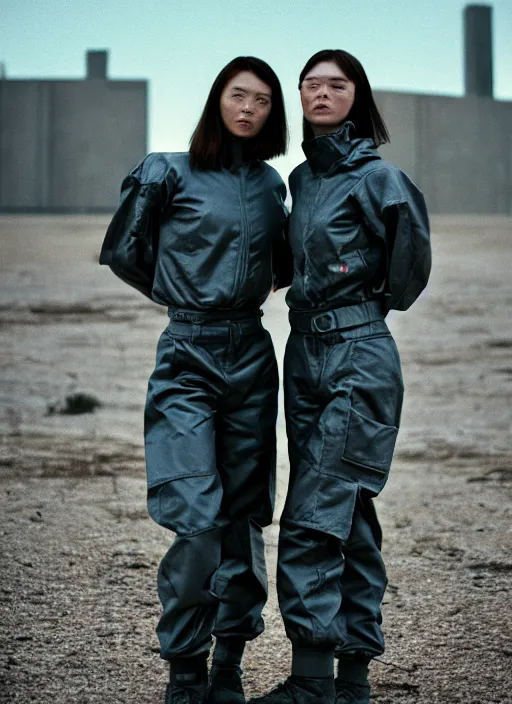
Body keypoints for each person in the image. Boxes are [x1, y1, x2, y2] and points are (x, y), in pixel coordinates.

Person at [100, 56, 291, 704]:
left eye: (262, 100)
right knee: (197, 519)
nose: (248, 108)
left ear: (273, 112)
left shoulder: (272, 186)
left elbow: (285, 264)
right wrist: (186, 296)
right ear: (217, 101)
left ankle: (228, 663)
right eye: (238, 96)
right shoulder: (165, 170)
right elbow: (126, 250)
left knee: (242, 520)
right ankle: (184, 669)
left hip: (251, 358)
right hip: (186, 354)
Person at [249, 50, 431, 704]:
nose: (323, 93)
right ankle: (351, 683)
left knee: (313, 512)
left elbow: (409, 270)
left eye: (338, 84)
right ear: (298, 95)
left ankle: (310, 681)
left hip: (359, 354)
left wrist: (362, 304)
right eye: (311, 85)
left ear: (358, 95)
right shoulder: (300, 181)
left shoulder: (380, 178)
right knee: (348, 515)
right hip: (303, 356)